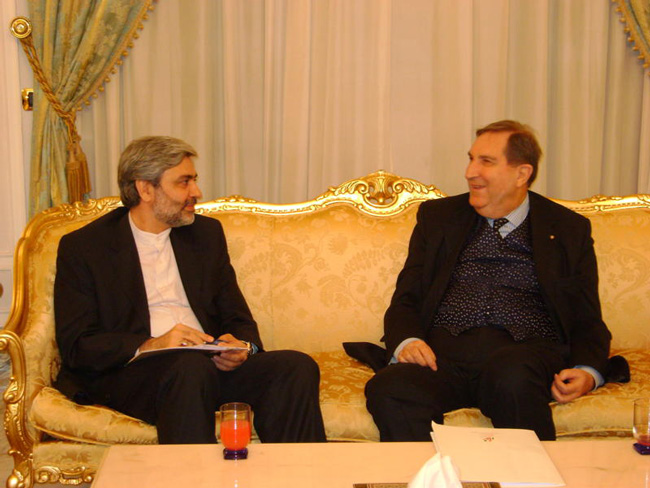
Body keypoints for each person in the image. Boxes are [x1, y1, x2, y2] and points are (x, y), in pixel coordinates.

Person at [54, 136, 326, 444]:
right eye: (184, 182)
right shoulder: (85, 247)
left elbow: (236, 315)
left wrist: (242, 347)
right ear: (145, 189)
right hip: (134, 374)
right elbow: (77, 344)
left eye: (194, 180)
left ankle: (297, 471)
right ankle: (194, 472)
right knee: (188, 368)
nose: (196, 192)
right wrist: (151, 344)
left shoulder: (205, 234)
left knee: (295, 367)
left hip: (207, 366)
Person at [365, 120, 612, 441]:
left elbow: (586, 315)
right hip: (443, 357)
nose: (470, 172)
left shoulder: (567, 229)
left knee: (512, 374)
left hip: (522, 355)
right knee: (390, 387)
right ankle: (432, 470)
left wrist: (588, 372)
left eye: (486, 161)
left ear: (522, 174)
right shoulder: (438, 218)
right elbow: (406, 299)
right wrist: (408, 341)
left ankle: (527, 470)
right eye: (471, 159)